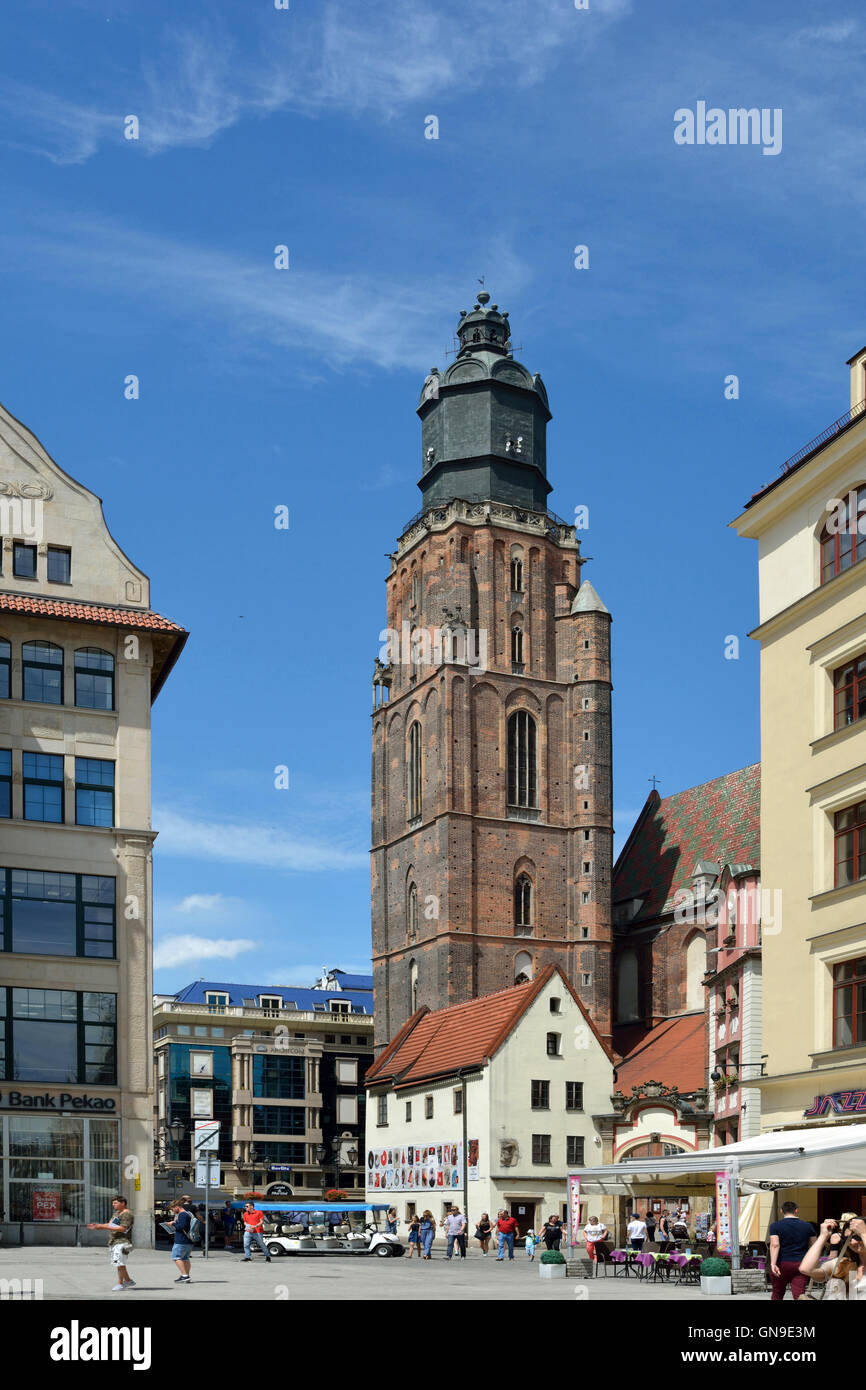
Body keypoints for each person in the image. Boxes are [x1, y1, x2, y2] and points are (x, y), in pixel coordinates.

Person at [800, 1216, 866, 1300]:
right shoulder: (841, 1264)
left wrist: (863, 1233)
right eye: (847, 1238)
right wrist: (823, 1236)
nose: (853, 1242)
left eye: (858, 1236)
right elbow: (805, 1269)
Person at [768, 1200, 816, 1301]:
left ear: (781, 1211)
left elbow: (775, 1244)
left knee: (777, 1292)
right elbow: (814, 1246)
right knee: (799, 1294)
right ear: (796, 1210)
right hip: (801, 1264)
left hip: (782, 1264)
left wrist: (773, 1263)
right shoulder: (808, 1226)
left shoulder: (775, 1226)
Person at [87, 1194, 135, 1292]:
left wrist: (103, 1227)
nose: (113, 1205)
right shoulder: (117, 1213)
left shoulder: (127, 1214)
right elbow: (110, 1224)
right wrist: (98, 1226)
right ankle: (128, 1281)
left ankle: (120, 1283)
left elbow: (123, 1228)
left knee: (119, 1263)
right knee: (119, 1263)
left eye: (115, 1203)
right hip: (114, 1241)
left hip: (123, 1242)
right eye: (113, 1203)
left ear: (123, 1203)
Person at [167, 1200, 193, 1284]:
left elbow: (181, 1227)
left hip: (181, 1240)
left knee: (176, 1257)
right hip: (188, 1240)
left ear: (177, 1207)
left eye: (172, 1209)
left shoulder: (182, 1214)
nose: (173, 1211)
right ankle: (186, 1275)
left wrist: (173, 1224)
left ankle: (184, 1276)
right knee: (185, 1258)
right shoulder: (188, 1213)